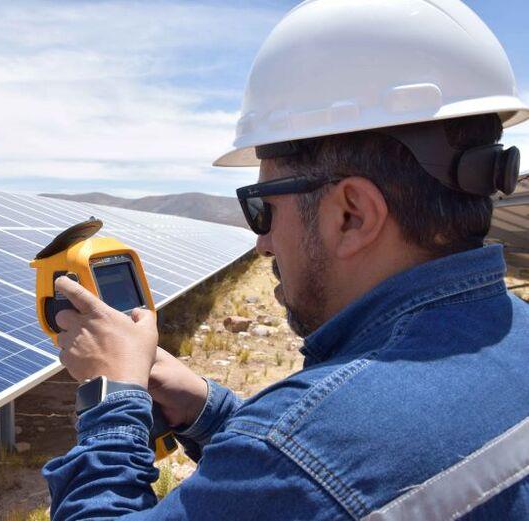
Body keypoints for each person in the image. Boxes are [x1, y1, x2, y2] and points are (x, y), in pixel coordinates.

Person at [41, 0, 529, 519]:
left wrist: (112, 395)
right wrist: (207, 410)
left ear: (352, 215)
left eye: (262, 208)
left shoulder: (304, 455)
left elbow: (312, 468)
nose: (262, 244)